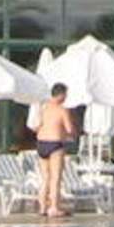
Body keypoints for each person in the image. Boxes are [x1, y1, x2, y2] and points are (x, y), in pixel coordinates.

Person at [35, 83, 77, 219]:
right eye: (65, 95)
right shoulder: (62, 110)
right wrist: (70, 134)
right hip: (55, 143)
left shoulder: (44, 109)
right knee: (56, 177)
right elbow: (69, 129)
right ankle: (54, 207)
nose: (66, 98)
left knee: (45, 178)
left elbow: (37, 126)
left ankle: (42, 207)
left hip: (41, 142)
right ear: (61, 95)